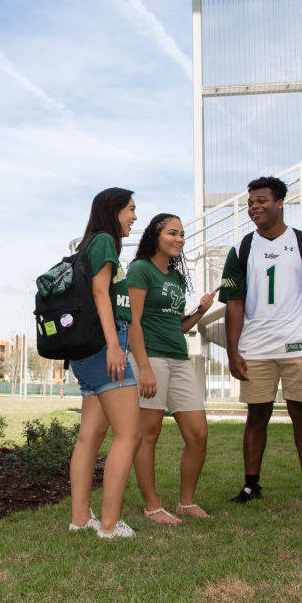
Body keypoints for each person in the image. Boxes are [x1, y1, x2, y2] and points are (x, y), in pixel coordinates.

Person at [220, 176, 302, 508]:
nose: (254, 207)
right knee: (256, 416)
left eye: (261, 201)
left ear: (280, 203)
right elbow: (234, 303)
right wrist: (232, 351)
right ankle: (250, 486)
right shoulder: (242, 248)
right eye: (250, 203)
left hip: (298, 344)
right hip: (256, 347)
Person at [127, 213, 216, 525]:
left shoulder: (177, 277)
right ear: (156, 235)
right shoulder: (140, 269)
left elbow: (179, 326)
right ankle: (152, 507)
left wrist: (202, 310)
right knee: (148, 434)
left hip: (179, 359)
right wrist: (144, 367)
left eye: (182, 234)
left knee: (198, 434)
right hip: (150, 358)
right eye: (172, 233)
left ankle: (185, 502)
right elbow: (132, 322)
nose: (179, 239)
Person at [67, 187, 143, 539]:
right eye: (130, 209)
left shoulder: (89, 244)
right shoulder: (104, 242)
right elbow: (101, 292)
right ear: (112, 211)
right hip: (103, 347)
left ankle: (81, 519)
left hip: (86, 351)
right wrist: (115, 346)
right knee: (128, 435)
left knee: (90, 437)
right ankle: (110, 527)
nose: (134, 216)